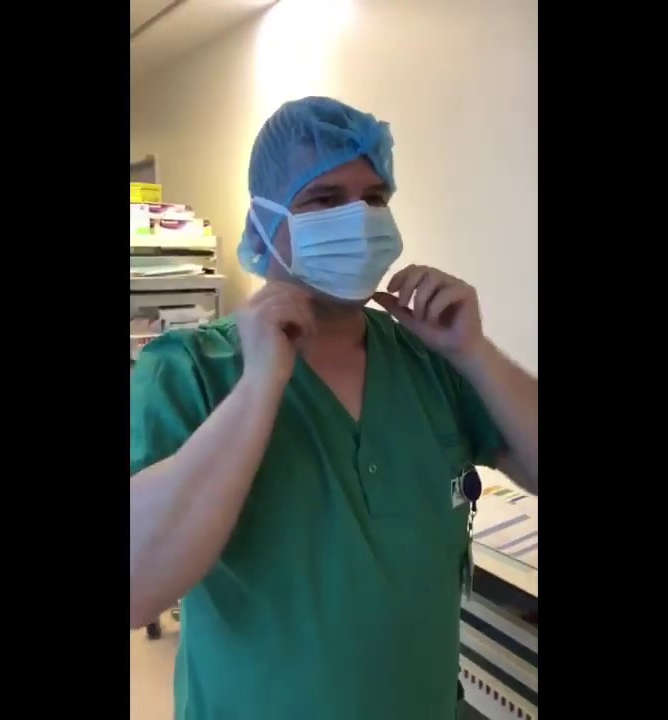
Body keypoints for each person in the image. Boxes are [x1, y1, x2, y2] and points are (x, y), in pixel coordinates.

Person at [129, 96, 539, 719]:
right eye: (324, 200)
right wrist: (260, 386)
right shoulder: (190, 370)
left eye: (374, 198)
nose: (359, 219)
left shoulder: (430, 360)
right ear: (265, 222)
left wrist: (474, 351)